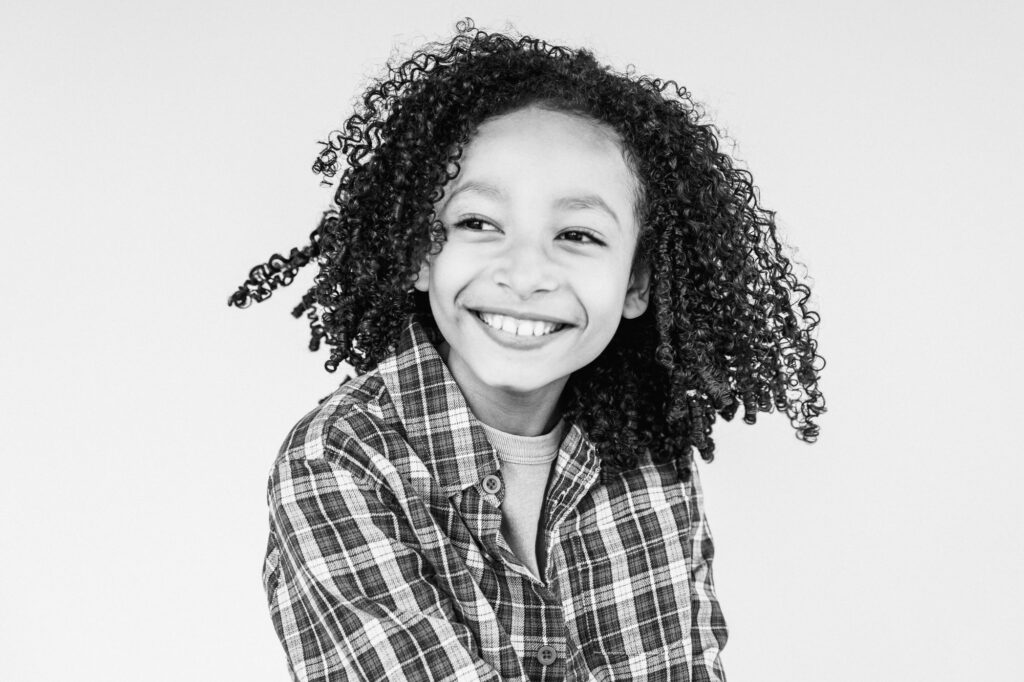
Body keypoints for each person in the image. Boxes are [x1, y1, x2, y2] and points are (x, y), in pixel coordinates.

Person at [230, 20, 825, 682]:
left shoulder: (651, 455)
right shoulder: (340, 462)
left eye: (576, 234)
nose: (525, 272)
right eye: (478, 223)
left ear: (636, 283)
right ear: (418, 252)